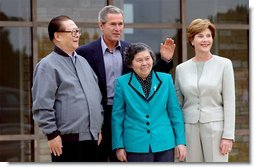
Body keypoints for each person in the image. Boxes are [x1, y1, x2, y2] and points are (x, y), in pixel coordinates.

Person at [76, 5, 175, 162]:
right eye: (113, 24)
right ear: (101, 26)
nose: (117, 28)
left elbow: (147, 75)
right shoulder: (85, 53)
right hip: (98, 116)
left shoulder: (131, 49)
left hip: (127, 117)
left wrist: (165, 61)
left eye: (120, 24)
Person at [31, 15, 104, 162]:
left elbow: (96, 96)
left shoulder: (83, 62)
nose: (77, 35)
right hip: (67, 141)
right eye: (72, 32)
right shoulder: (47, 65)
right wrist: (52, 134)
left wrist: (98, 127)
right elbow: (42, 104)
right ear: (57, 36)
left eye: (77, 31)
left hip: (92, 138)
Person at [111, 42, 186, 162]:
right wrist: (119, 146)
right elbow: (117, 117)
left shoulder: (166, 80)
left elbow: (175, 113)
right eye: (139, 60)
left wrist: (181, 142)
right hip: (135, 145)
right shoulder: (122, 83)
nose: (145, 63)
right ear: (131, 63)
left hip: (164, 143)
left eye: (147, 58)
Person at [175, 18, 235, 162]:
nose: (205, 40)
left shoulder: (224, 64)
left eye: (208, 36)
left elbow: (229, 102)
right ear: (192, 40)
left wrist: (228, 135)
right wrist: (178, 138)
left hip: (216, 128)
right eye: (200, 36)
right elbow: (177, 106)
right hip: (189, 129)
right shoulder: (181, 69)